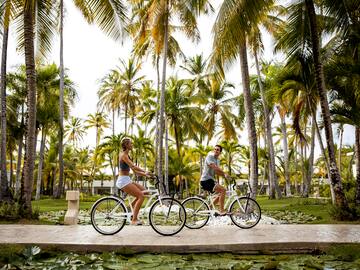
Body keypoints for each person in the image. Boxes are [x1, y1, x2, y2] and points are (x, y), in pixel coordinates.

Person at [117, 138, 152, 225]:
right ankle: (134, 219)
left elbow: (135, 171)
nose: (132, 145)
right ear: (126, 145)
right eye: (130, 144)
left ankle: (130, 209)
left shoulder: (127, 156)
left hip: (127, 179)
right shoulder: (123, 155)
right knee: (140, 196)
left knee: (145, 192)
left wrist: (146, 175)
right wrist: (145, 171)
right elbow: (134, 166)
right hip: (123, 181)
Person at [200, 144, 230, 215]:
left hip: (210, 180)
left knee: (221, 193)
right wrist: (224, 173)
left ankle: (210, 207)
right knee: (223, 190)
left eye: (218, 150)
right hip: (205, 180)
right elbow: (214, 167)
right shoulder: (210, 157)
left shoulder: (218, 160)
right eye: (215, 149)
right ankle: (221, 210)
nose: (216, 151)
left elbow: (217, 172)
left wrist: (225, 176)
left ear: (220, 152)